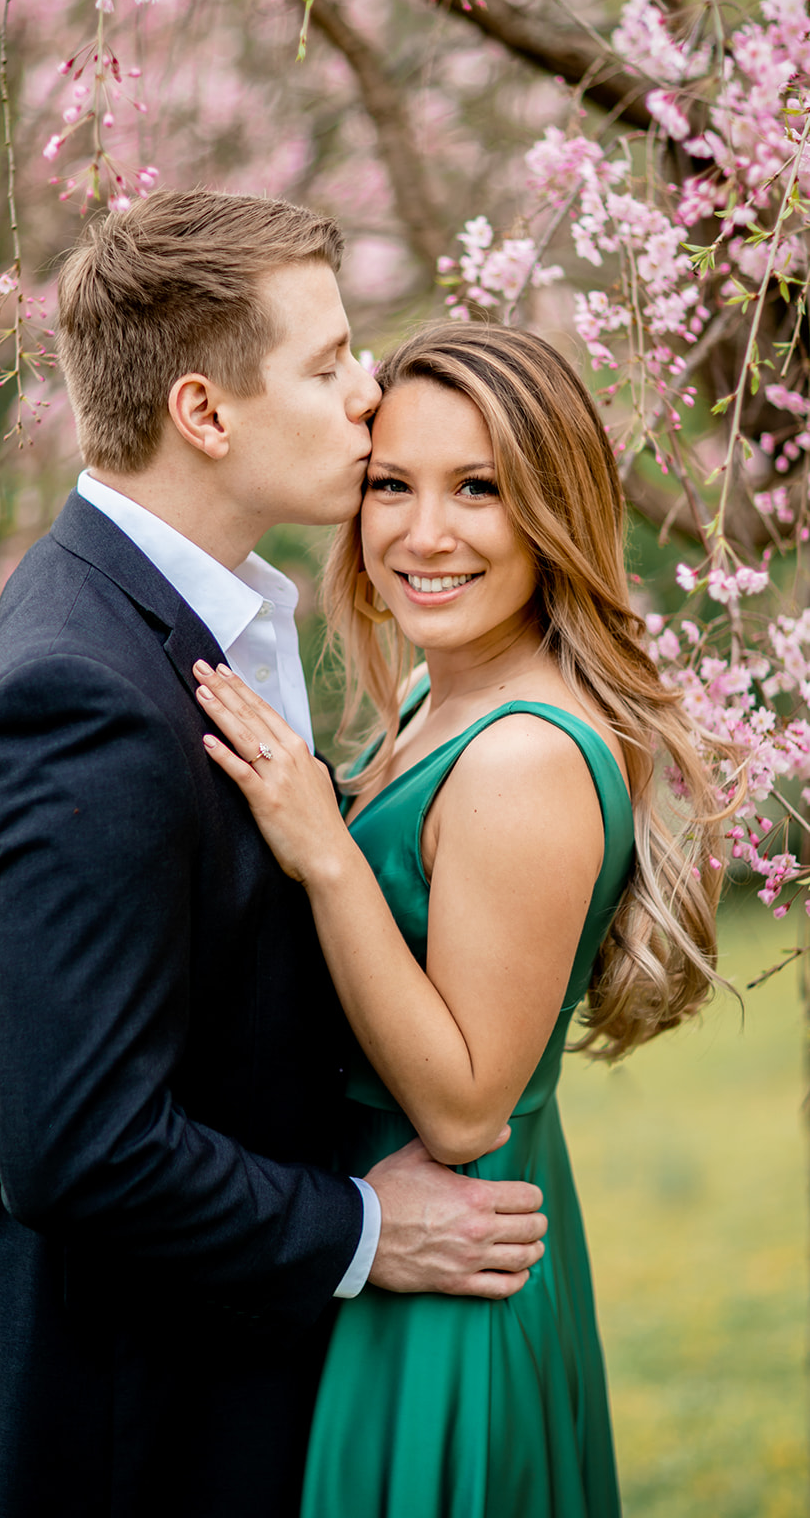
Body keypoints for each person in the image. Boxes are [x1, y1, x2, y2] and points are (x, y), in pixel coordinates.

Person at [0, 197, 550, 1518]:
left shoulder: (195, 616)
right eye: (327, 360)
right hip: (96, 1433)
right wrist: (359, 1229)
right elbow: (80, 1148)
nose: (369, 393)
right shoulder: (85, 697)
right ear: (204, 413)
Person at [193, 320, 738, 1518]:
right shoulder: (448, 691)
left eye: (477, 489)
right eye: (390, 484)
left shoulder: (522, 756)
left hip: (446, 1287)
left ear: (550, 508)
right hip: (381, 1253)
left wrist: (324, 853)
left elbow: (464, 1101)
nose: (420, 533)